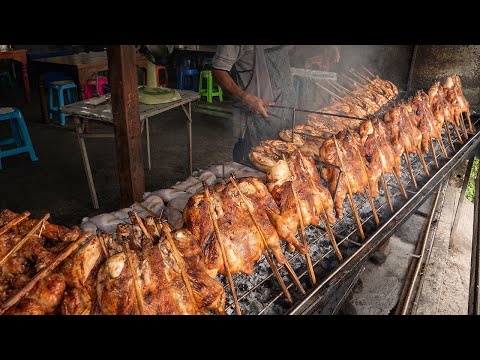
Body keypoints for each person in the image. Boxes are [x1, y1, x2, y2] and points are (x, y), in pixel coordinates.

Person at [212, 45, 297, 165]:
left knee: (286, 164)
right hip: (255, 115)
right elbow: (218, 71)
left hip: (285, 109)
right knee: (250, 166)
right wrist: (245, 98)